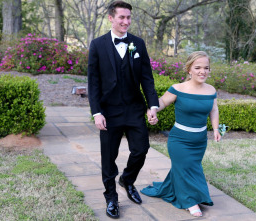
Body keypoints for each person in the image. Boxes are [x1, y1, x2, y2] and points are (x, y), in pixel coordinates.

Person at [87, 1, 159, 219]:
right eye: (122, 17)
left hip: (134, 109)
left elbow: (147, 77)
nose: (126, 21)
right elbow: (93, 82)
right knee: (109, 158)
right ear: (111, 18)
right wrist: (96, 112)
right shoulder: (98, 44)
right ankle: (111, 198)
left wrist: (152, 105)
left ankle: (127, 180)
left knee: (141, 149)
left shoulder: (138, 43)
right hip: (109, 112)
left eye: (129, 17)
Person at [141, 51, 221, 217]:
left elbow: (214, 109)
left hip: (199, 140)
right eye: (197, 67)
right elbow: (162, 101)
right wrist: (153, 110)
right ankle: (190, 201)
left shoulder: (211, 90)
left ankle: (176, 190)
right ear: (189, 69)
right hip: (179, 140)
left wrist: (215, 129)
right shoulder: (178, 88)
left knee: (191, 167)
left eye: (206, 68)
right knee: (184, 167)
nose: (202, 71)